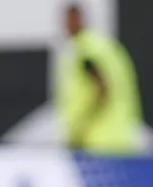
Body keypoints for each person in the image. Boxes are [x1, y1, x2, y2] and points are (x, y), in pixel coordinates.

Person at [54, 3, 143, 155]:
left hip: (97, 142)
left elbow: (103, 88)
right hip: (121, 136)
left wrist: (81, 126)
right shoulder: (106, 46)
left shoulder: (84, 50)